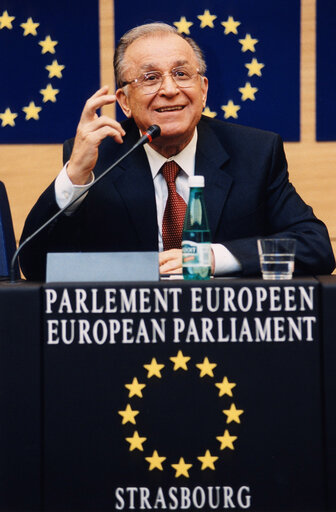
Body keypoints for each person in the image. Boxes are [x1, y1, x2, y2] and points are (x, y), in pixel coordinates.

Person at [19, 22, 335, 281]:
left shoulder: (254, 153)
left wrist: (214, 258)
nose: (170, 90)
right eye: (151, 78)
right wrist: (75, 175)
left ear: (204, 89)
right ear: (124, 101)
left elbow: (315, 247)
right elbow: (37, 267)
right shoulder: (100, 158)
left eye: (182, 74)